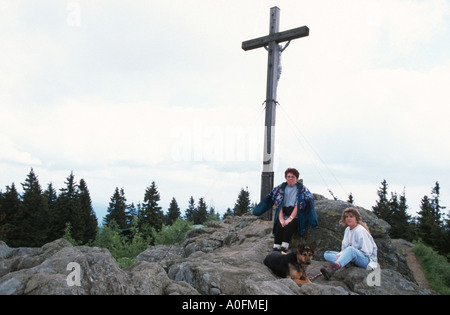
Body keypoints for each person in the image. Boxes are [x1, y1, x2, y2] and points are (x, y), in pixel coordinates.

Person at [253, 168, 318, 252]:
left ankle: (284, 248)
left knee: (289, 225)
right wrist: (281, 219)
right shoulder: (280, 188)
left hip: (296, 215)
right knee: (279, 226)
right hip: (283, 213)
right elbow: (277, 203)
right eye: (288, 176)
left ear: (296, 178)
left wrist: (289, 219)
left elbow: (301, 205)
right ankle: (276, 248)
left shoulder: (302, 189)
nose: (290, 178)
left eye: (293, 177)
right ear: (286, 178)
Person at [321, 207, 378, 280]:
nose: (348, 218)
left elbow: (368, 252)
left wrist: (350, 255)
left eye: (351, 216)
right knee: (327, 254)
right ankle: (345, 261)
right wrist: (342, 255)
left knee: (351, 250)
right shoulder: (347, 230)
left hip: (366, 261)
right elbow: (344, 248)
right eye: (346, 217)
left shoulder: (360, 231)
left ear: (356, 218)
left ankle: (334, 268)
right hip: (351, 256)